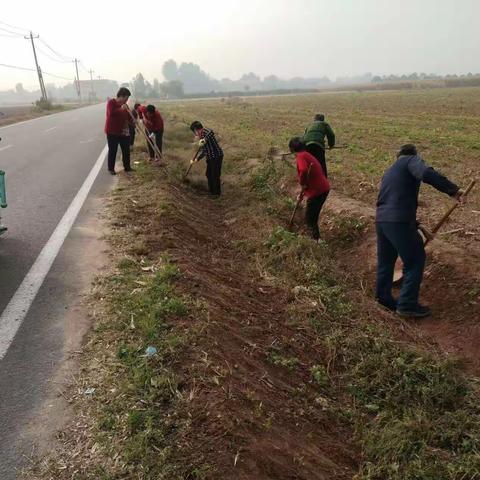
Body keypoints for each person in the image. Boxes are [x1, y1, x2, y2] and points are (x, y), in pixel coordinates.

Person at [376, 144, 462, 318]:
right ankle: (407, 305)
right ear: (413, 154)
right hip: (399, 221)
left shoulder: (390, 171)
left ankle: (383, 299)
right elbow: (426, 173)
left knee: (386, 262)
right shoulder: (411, 160)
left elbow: (395, 200)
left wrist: (417, 226)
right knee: (415, 260)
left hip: (381, 220)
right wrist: (452, 190)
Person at [289, 136, 330, 241]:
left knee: (310, 218)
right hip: (322, 189)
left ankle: (315, 241)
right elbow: (309, 179)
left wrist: (301, 183)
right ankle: (316, 239)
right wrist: (302, 194)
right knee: (312, 216)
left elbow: (303, 170)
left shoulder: (301, 156)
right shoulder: (307, 155)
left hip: (318, 191)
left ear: (292, 149)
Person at [190, 121, 224, 197]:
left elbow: (211, 132)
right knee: (208, 174)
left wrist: (204, 139)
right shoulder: (201, 137)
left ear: (196, 130)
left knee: (214, 175)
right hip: (210, 158)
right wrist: (197, 159)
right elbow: (205, 151)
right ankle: (212, 191)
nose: (195, 134)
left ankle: (216, 193)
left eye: (194, 132)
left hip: (216, 156)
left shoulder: (205, 132)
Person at [104, 87, 134, 175]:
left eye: (128, 98)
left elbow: (128, 117)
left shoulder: (125, 106)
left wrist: (133, 121)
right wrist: (121, 109)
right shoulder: (111, 102)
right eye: (126, 98)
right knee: (113, 150)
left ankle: (127, 167)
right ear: (121, 96)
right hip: (112, 131)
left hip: (123, 131)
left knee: (126, 149)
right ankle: (111, 169)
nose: (127, 100)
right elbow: (111, 113)